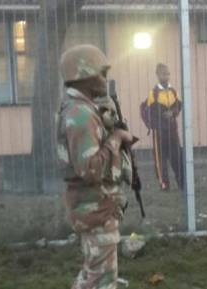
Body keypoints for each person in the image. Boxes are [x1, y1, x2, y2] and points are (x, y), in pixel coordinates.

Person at [56, 44, 134, 289]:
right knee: (100, 279)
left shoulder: (84, 110)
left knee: (95, 275)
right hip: (94, 207)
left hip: (96, 207)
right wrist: (116, 138)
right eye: (101, 73)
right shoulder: (79, 115)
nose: (105, 79)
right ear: (85, 76)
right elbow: (90, 168)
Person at [140, 63, 184, 191]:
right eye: (164, 74)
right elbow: (144, 110)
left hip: (172, 130)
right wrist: (151, 124)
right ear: (158, 75)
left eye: (168, 73)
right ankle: (164, 185)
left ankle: (182, 183)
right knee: (161, 160)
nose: (166, 76)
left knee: (177, 156)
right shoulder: (153, 93)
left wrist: (173, 112)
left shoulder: (173, 91)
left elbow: (178, 105)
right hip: (159, 131)